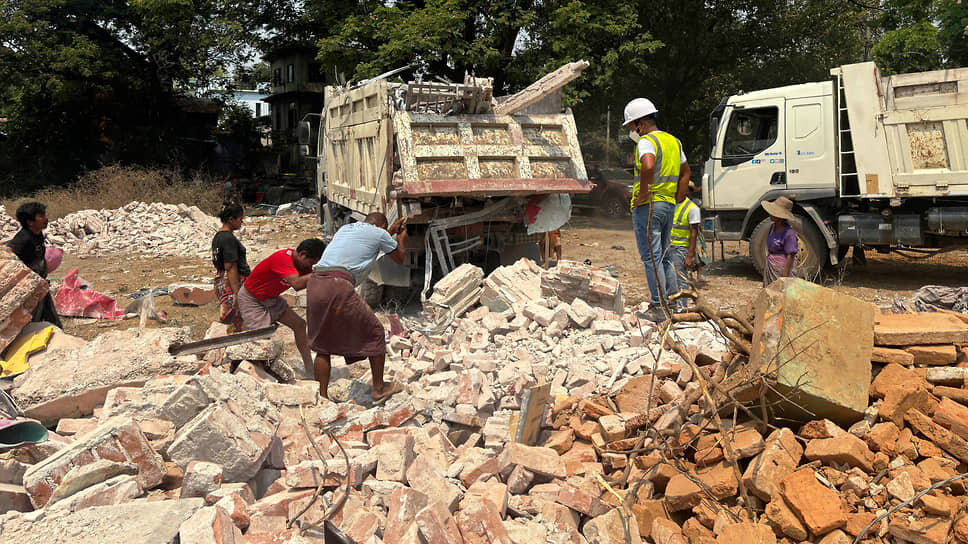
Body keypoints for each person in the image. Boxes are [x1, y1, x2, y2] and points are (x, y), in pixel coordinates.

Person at [307, 212, 408, 400]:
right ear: (382, 225)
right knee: (376, 332)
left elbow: (370, 241)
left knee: (323, 346)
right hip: (338, 284)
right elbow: (399, 257)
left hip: (315, 282)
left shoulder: (347, 228)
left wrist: (389, 232)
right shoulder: (380, 234)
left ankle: (321, 398)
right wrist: (401, 237)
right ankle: (378, 388)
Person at [623, 98, 691, 319]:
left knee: (651, 257)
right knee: (666, 256)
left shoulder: (646, 141)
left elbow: (649, 164)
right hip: (668, 205)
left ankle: (658, 306)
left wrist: (643, 194)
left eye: (632, 125)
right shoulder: (674, 141)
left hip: (649, 206)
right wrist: (678, 198)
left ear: (641, 122)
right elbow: (686, 173)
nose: (632, 130)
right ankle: (672, 303)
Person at [239, 239, 325, 376]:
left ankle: (310, 369)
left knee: (300, 325)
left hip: (271, 298)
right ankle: (259, 375)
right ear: (302, 254)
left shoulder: (304, 267)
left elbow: (312, 285)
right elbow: (297, 284)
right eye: (311, 262)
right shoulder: (283, 258)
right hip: (252, 299)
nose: (311, 267)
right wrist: (322, 273)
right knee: (262, 339)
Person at [6, 202, 62, 328]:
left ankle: (57, 334)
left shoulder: (38, 234)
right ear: (30, 222)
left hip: (40, 284)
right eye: (41, 216)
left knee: (50, 317)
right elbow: (8, 252)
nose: (46, 218)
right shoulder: (23, 238)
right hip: (29, 288)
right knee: (32, 320)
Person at [212, 204, 248, 333]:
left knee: (234, 318)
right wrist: (237, 293)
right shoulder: (228, 239)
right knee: (232, 318)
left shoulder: (219, 237)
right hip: (232, 282)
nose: (241, 222)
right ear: (231, 219)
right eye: (240, 219)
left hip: (222, 280)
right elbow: (231, 266)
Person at [669, 181, 701, 309]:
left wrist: (690, 255)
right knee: (670, 277)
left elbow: (694, 233)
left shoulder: (692, 208)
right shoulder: (672, 204)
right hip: (668, 246)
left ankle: (682, 307)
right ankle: (671, 303)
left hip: (680, 248)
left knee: (681, 278)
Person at [760, 196, 799, 286]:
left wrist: (784, 275)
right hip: (772, 266)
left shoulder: (789, 233)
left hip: (783, 268)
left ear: (779, 217)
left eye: (773, 212)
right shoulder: (772, 228)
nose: (770, 214)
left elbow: (791, 255)